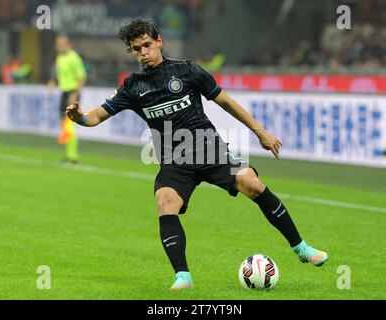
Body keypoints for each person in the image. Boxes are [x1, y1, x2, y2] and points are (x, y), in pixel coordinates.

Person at [65, 19, 328, 290]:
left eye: (147, 45)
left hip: (210, 149)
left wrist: (259, 131)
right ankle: (183, 276)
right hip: (175, 162)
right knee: (165, 201)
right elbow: (96, 116)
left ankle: (301, 247)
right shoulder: (133, 86)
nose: (143, 52)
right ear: (132, 52)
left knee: (251, 182)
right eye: (136, 49)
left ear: (159, 41)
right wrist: (79, 118)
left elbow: (225, 102)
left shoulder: (187, 70)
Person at [49, 35, 87, 163]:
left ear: (69, 44)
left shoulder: (73, 57)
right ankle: (69, 155)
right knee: (64, 123)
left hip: (72, 92)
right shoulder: (60, 57)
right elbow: (57, 72)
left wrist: (75, 94)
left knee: (68, 123)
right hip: (64, 91)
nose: (59, 46)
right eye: (57, 44)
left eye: (62, 43)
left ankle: (73, 156)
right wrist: (53, 81)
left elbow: (81, 76)